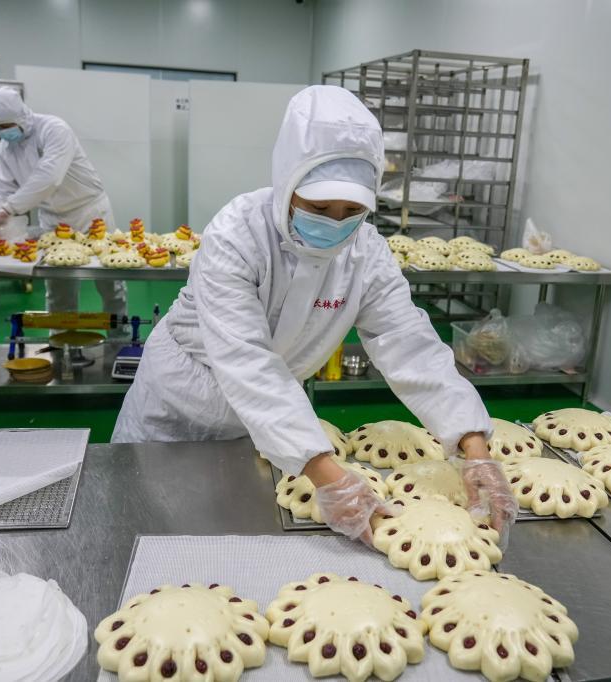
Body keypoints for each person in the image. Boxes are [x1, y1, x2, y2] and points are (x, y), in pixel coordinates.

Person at [113, 85, 517, 547]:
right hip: (178, 405)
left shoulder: (366, 254)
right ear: (288, 184)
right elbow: (246, 360)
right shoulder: (237, 235)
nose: (336, 222)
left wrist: (473, 447)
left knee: (238, 529)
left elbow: (411, 345)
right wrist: (331, 478)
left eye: (353, 210)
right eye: (320, 208)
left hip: (271, 420)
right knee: (153, 528)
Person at [0, 87, 126, 333]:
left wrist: (8, 210)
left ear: (21, 115)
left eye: (7, 125)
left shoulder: (54, 129)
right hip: (53, 220)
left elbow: (49, 177)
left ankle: (120, 335)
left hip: (89, 212)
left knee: (108, 279)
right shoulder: (6, 147)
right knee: (59, 286)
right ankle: (62, 341)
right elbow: (3, 187)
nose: (4, 132)